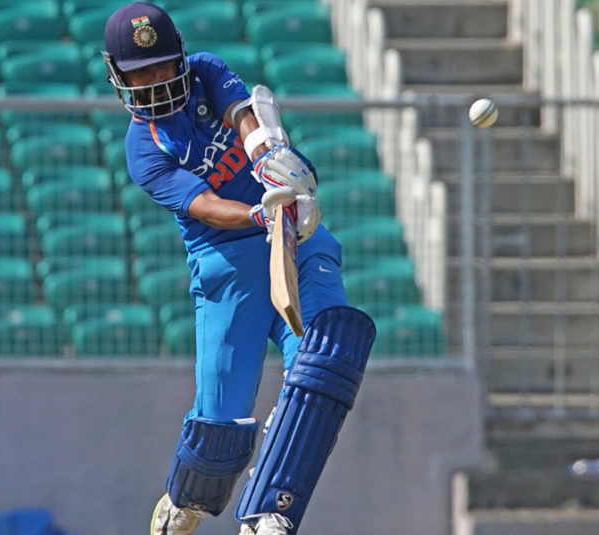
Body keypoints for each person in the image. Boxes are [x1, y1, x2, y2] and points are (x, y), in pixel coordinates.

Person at [101, 3, 377, 535]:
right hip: (226, 261)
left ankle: (271, 511)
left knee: (325, 359)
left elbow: (242, 114)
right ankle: (185, 499)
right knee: (222, 426)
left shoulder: (205, 69)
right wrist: (258, 213)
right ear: (120, 78)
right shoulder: (143, 150)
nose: (155, 81)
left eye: (162, 66)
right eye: (142, 74)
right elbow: (203, 205)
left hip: (297, 238)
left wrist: (268, 159)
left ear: (181, 56)